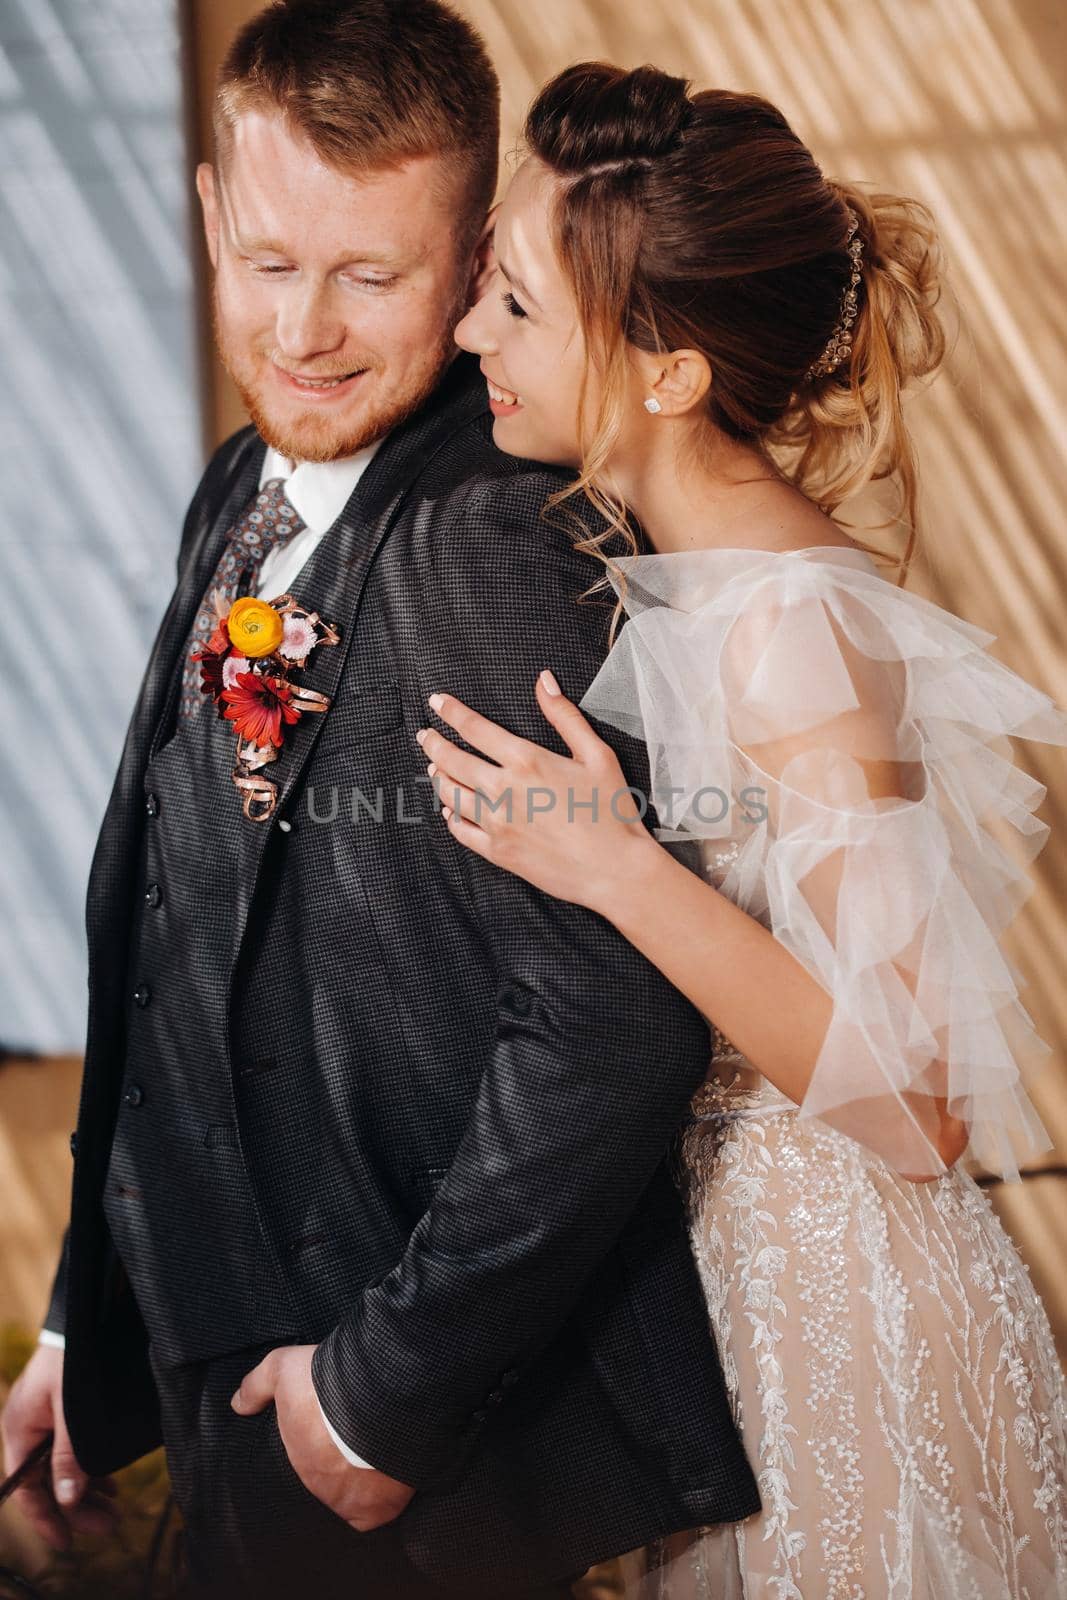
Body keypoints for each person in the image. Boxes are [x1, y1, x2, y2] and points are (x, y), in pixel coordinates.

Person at [0, 11, 763, 1600]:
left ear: (477, 249)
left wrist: (379, 1399)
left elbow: (614, 1015)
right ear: (209, 210)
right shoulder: (239, 481)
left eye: (375, 274)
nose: (310, 332)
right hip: (229, 1378)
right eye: (272, 261)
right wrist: (90, 1325)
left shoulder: (489, 532)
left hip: (397, 1448)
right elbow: (170, 932)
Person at [430, 60, 1067, 1596]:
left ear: (668, 373)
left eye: (512, 304)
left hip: (845, 1332)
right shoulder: (706, 587)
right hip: (736, 1311)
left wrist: (617, 871)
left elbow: (918, 1108)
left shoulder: (790, 629)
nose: (466, 336)